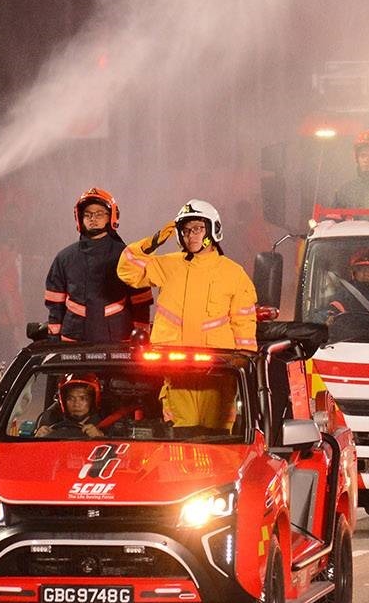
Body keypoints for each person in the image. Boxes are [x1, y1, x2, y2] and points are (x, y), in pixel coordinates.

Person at [117, 200, 257, 428]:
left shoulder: (233, 273)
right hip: (177, 373)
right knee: (180, 441)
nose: (191, 236)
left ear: (212, 230)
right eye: (186, 230)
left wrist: (244, 365)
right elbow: (126, 271)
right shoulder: (170, 265)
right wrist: (153, 242)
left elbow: (244, 324)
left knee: (219, 440)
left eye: (198, 229)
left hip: (218, 376)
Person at [42, 187, 148, 343]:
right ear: (79, 219)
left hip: (117, 341)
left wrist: (141, 336)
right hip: (74, 342)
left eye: (99, 214)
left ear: (111, 216)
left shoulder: (127, 256)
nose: (93, 218)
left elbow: (141, 302)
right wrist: (54, 340)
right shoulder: (64, 258)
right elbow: (55, 305)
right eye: (88, 214)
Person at [35, 374, 107, 439]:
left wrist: (100, 437)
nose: (76, 404)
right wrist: (38, 438)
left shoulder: (107, 426)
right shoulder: (52, 423)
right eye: (70, 398)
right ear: (63, 401)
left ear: (92, 401)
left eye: (82, 398)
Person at [334, 130, 369, 209]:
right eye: (362, 155)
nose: (366, 160)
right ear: (357, 158)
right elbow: (333, 219)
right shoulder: (346, 191)